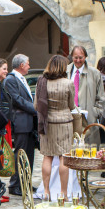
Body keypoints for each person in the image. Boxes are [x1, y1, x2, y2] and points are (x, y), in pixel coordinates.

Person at [35, 55, 75, 201]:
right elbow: (72, 105)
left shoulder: (42, 82)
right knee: (63, 156)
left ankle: (46, 191)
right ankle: (63, 194)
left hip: (47, 123)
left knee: (47, 156)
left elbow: (36, 105)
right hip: (64, 122)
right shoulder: (68, 83)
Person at [4, 54, 36, 197]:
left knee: (29, 154)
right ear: (21, 65)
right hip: (21, 121)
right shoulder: (11, 80)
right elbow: (17, 100)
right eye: (28, 64)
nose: (29, 66)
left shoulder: (21, 79)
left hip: (29, 121)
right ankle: (15, 184)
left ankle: (26, 182)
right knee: (20, 153)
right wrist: (35, 109)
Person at [66, 45, 105, 144]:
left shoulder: (95, 73)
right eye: (75, 57)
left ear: (85, 57)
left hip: (88, 118)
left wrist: (95, 112)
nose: (78, 60)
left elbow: (101, 97)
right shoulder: (65, 71)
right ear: (72, 57)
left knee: (89, 150)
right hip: (69, 117)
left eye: (81, 57)